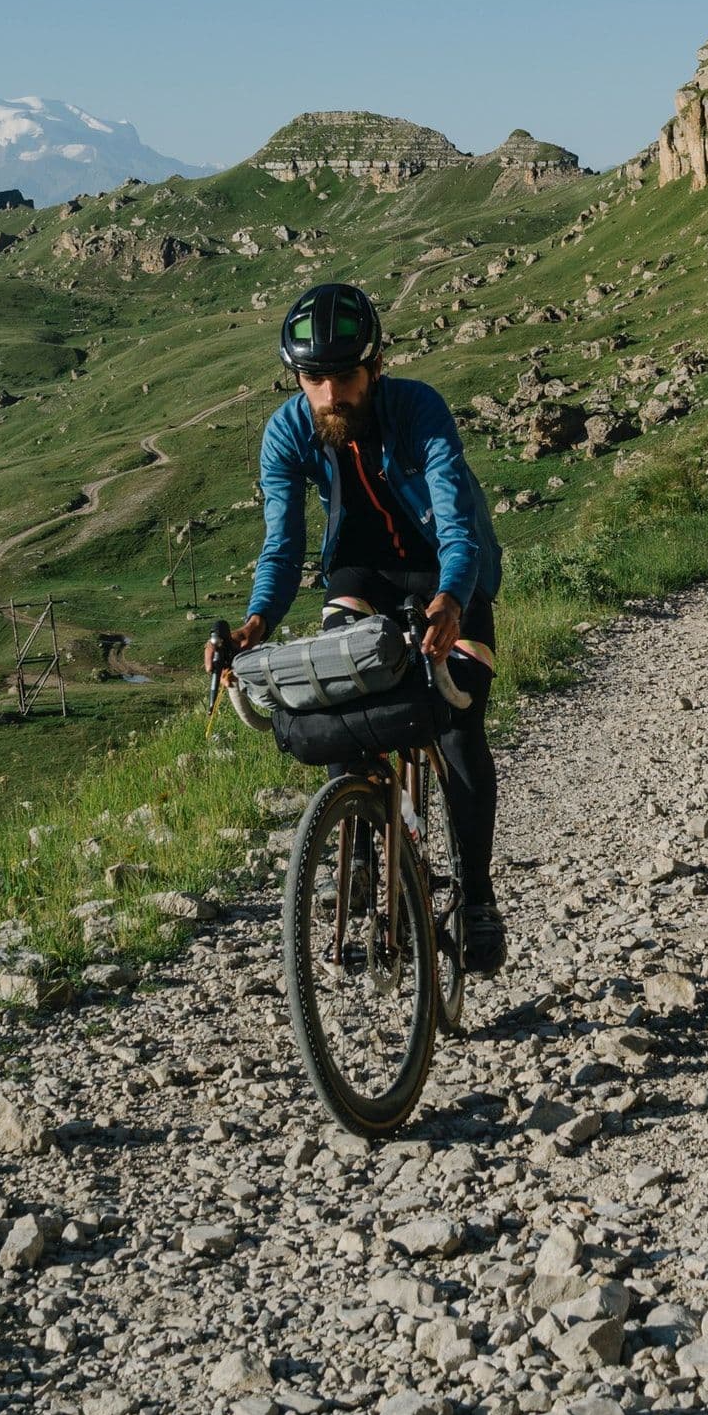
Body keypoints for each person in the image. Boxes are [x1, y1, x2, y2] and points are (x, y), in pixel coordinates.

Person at [205, 281, 508, 974]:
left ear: (375, 367)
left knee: (458, 723)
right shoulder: (288, 431)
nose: (329, 394)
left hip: (447, 572)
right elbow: (282, 546)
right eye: (313, 379)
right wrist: (256, 621)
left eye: (344, 377)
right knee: (336, 688)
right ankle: (361, 846)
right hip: (361, 572)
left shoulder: (418, 408)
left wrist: (452, 599)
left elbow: (456, 520)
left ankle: (478, 895)